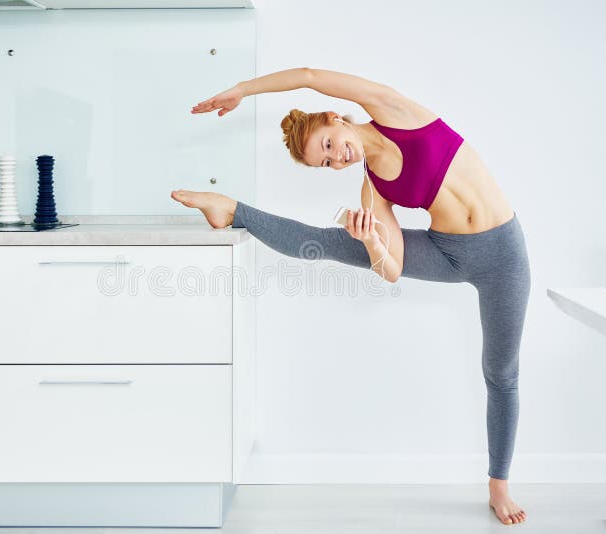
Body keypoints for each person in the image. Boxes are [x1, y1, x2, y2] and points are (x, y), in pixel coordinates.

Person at [170, 67, 530, 526]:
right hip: (448, 251)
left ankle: (498, 485)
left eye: (327, 145)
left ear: (336, 118)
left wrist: (242, 89)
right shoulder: (374, 189)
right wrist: (374, 242)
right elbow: (392, 270)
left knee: (501, 373)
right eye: (326, 164)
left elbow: (308, 75)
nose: (336, 158)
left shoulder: (395, 111)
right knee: (336, 242)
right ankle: (232, 209)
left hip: (504, 253)